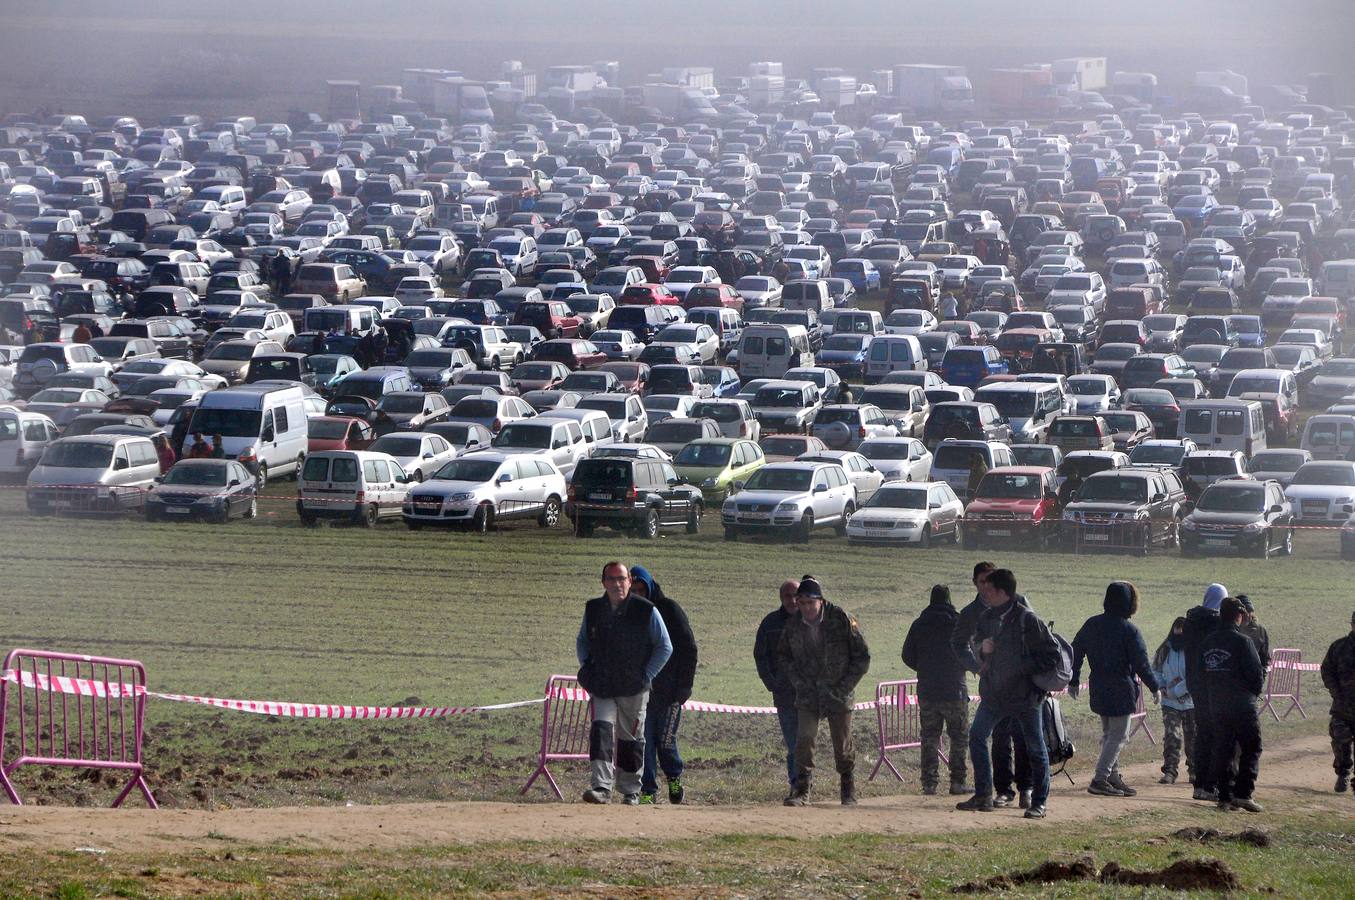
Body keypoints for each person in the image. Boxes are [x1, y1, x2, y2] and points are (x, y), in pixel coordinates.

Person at [956, 568, 1059, 819]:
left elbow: (1051, 655)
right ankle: (983, 795)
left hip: (1025, 697)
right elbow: (977, 646)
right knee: (977, 736)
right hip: (994, 694)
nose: (984, 593)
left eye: (989, 589)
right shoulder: (986, 617)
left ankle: (1039, 802)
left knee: (1035, 748)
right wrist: (983, 650)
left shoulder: (1028, 620)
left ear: (1003, 592)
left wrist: (1020, 668)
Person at [576, 561, 673, 805]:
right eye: (611, 579)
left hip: (633, 688)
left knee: (631, 738)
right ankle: (601, 787)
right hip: (602, 685)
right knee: (601, 731)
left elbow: (665, 646)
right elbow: (582, 641)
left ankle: (631, 790)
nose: (616, 584)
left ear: (629, 581)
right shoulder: (593, 609)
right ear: (603, 582)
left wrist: (646, 676)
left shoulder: (646, 610)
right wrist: (587, 666)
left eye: (621, 578)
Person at [777, 577, 871, 807]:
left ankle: (848, 788)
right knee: (804, 739)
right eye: (802, 603)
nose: (806, 608)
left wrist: (844, 687)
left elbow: (862, 656)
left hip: (837, 692)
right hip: (808, 692)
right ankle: (802, 790)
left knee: (842, 743)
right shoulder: (793, 625)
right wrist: (797, 681)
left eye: (811, 603)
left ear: (821, 601)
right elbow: (783, 656)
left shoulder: (841, 619)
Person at [952, 561, 1031, 808]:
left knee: (1023, 737)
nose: (987, 587)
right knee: (997, 737)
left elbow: (1034, 639)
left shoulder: (1020, 604)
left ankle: (1027, 789)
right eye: (982, 582)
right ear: (975, 583)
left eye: (991, 581)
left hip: (1020, 686)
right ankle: (1000, 790)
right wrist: (977, 665)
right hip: (993, 686)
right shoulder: (971, 613)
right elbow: (958, 643)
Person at [1070, 582, 1160, 797]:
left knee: (1109, 734)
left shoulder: (1092, 624)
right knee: (1119, 736)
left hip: (1098, 686)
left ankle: (1112, 776)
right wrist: (1154, 686)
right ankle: (1100, 779)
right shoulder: (1129, 630)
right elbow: (1141, 663)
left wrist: (1073, 680)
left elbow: (1076, 651)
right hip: (1121, 688)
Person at [629, 566, 697, 806]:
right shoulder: (628, 614)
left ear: (649, 587)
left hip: (671, 692)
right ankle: (648, 790)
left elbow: (688, 648)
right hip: (641, 692)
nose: (638, 594)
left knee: (665, 741)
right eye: (633, 590)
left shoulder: (669, 609)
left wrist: (685, 686)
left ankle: (674, 778)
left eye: (641, 590)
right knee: (644, 742)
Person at [902, 584, 971, 795]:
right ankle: (957, 782)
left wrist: (923, 668)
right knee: (959, 737)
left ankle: (929, 783)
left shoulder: (919, 624)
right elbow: (969, 652)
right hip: (955, 689)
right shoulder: (958, 622)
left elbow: (907, 655)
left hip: (928, 690)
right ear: (949, 599)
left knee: (929, 737)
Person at [1202, 597, 1265, 812]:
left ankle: (1225, 797)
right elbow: (1256, 675)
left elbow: (1201, 673)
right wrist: (1251, 695)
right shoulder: (1243, 641)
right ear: (1239, 616)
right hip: (1242, 704)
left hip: (1217, 704)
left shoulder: (1208, 642)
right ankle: (1243, 794)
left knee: (1223, 749)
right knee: (1251, 746)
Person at [754, 579, 801, 798]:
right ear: (781, 598)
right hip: (784, 696)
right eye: (787, 596)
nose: (792, 600)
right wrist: (771, 683)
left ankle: (803, 783)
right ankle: (797, 785)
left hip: (810, 695)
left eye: (795, 595)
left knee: (805, 742)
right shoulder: (770, 623)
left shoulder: (812, 620)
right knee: (793, 743)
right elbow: (760, 656)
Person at [1183, 583, 1225, 801]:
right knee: (1216, 736)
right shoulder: (1216, 624)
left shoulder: (1191, 622)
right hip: (1214, 685)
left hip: (1195, 684)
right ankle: (1210, 785)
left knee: (1202, 734)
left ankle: (1199, 784)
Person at [1153, 617, 1196, 785]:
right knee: (1172, 737)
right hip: (1169, 703)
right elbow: (1155, 670)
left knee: (1193, 737)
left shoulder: (1194, 651)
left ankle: (1195, 771)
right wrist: (1161, 686)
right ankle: (1170, 771)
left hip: (1191, 702)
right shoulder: (1164, 649)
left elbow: (1194, 676)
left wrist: (1176, 691)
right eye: (1176, 634)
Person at [1321, 610, 1355, 794]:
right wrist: (1335, 691)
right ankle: (1343, 773)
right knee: (1341, 742)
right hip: (1342, 706)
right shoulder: (1339, 647)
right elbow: (1326, 670)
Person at [1236, 595, 1271, 671]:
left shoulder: (1260, 631)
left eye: (1250, 611)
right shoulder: (1229, 631)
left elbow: (1265, 659)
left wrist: (1262, 673)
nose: (1247, 615)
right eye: (1244, 612)